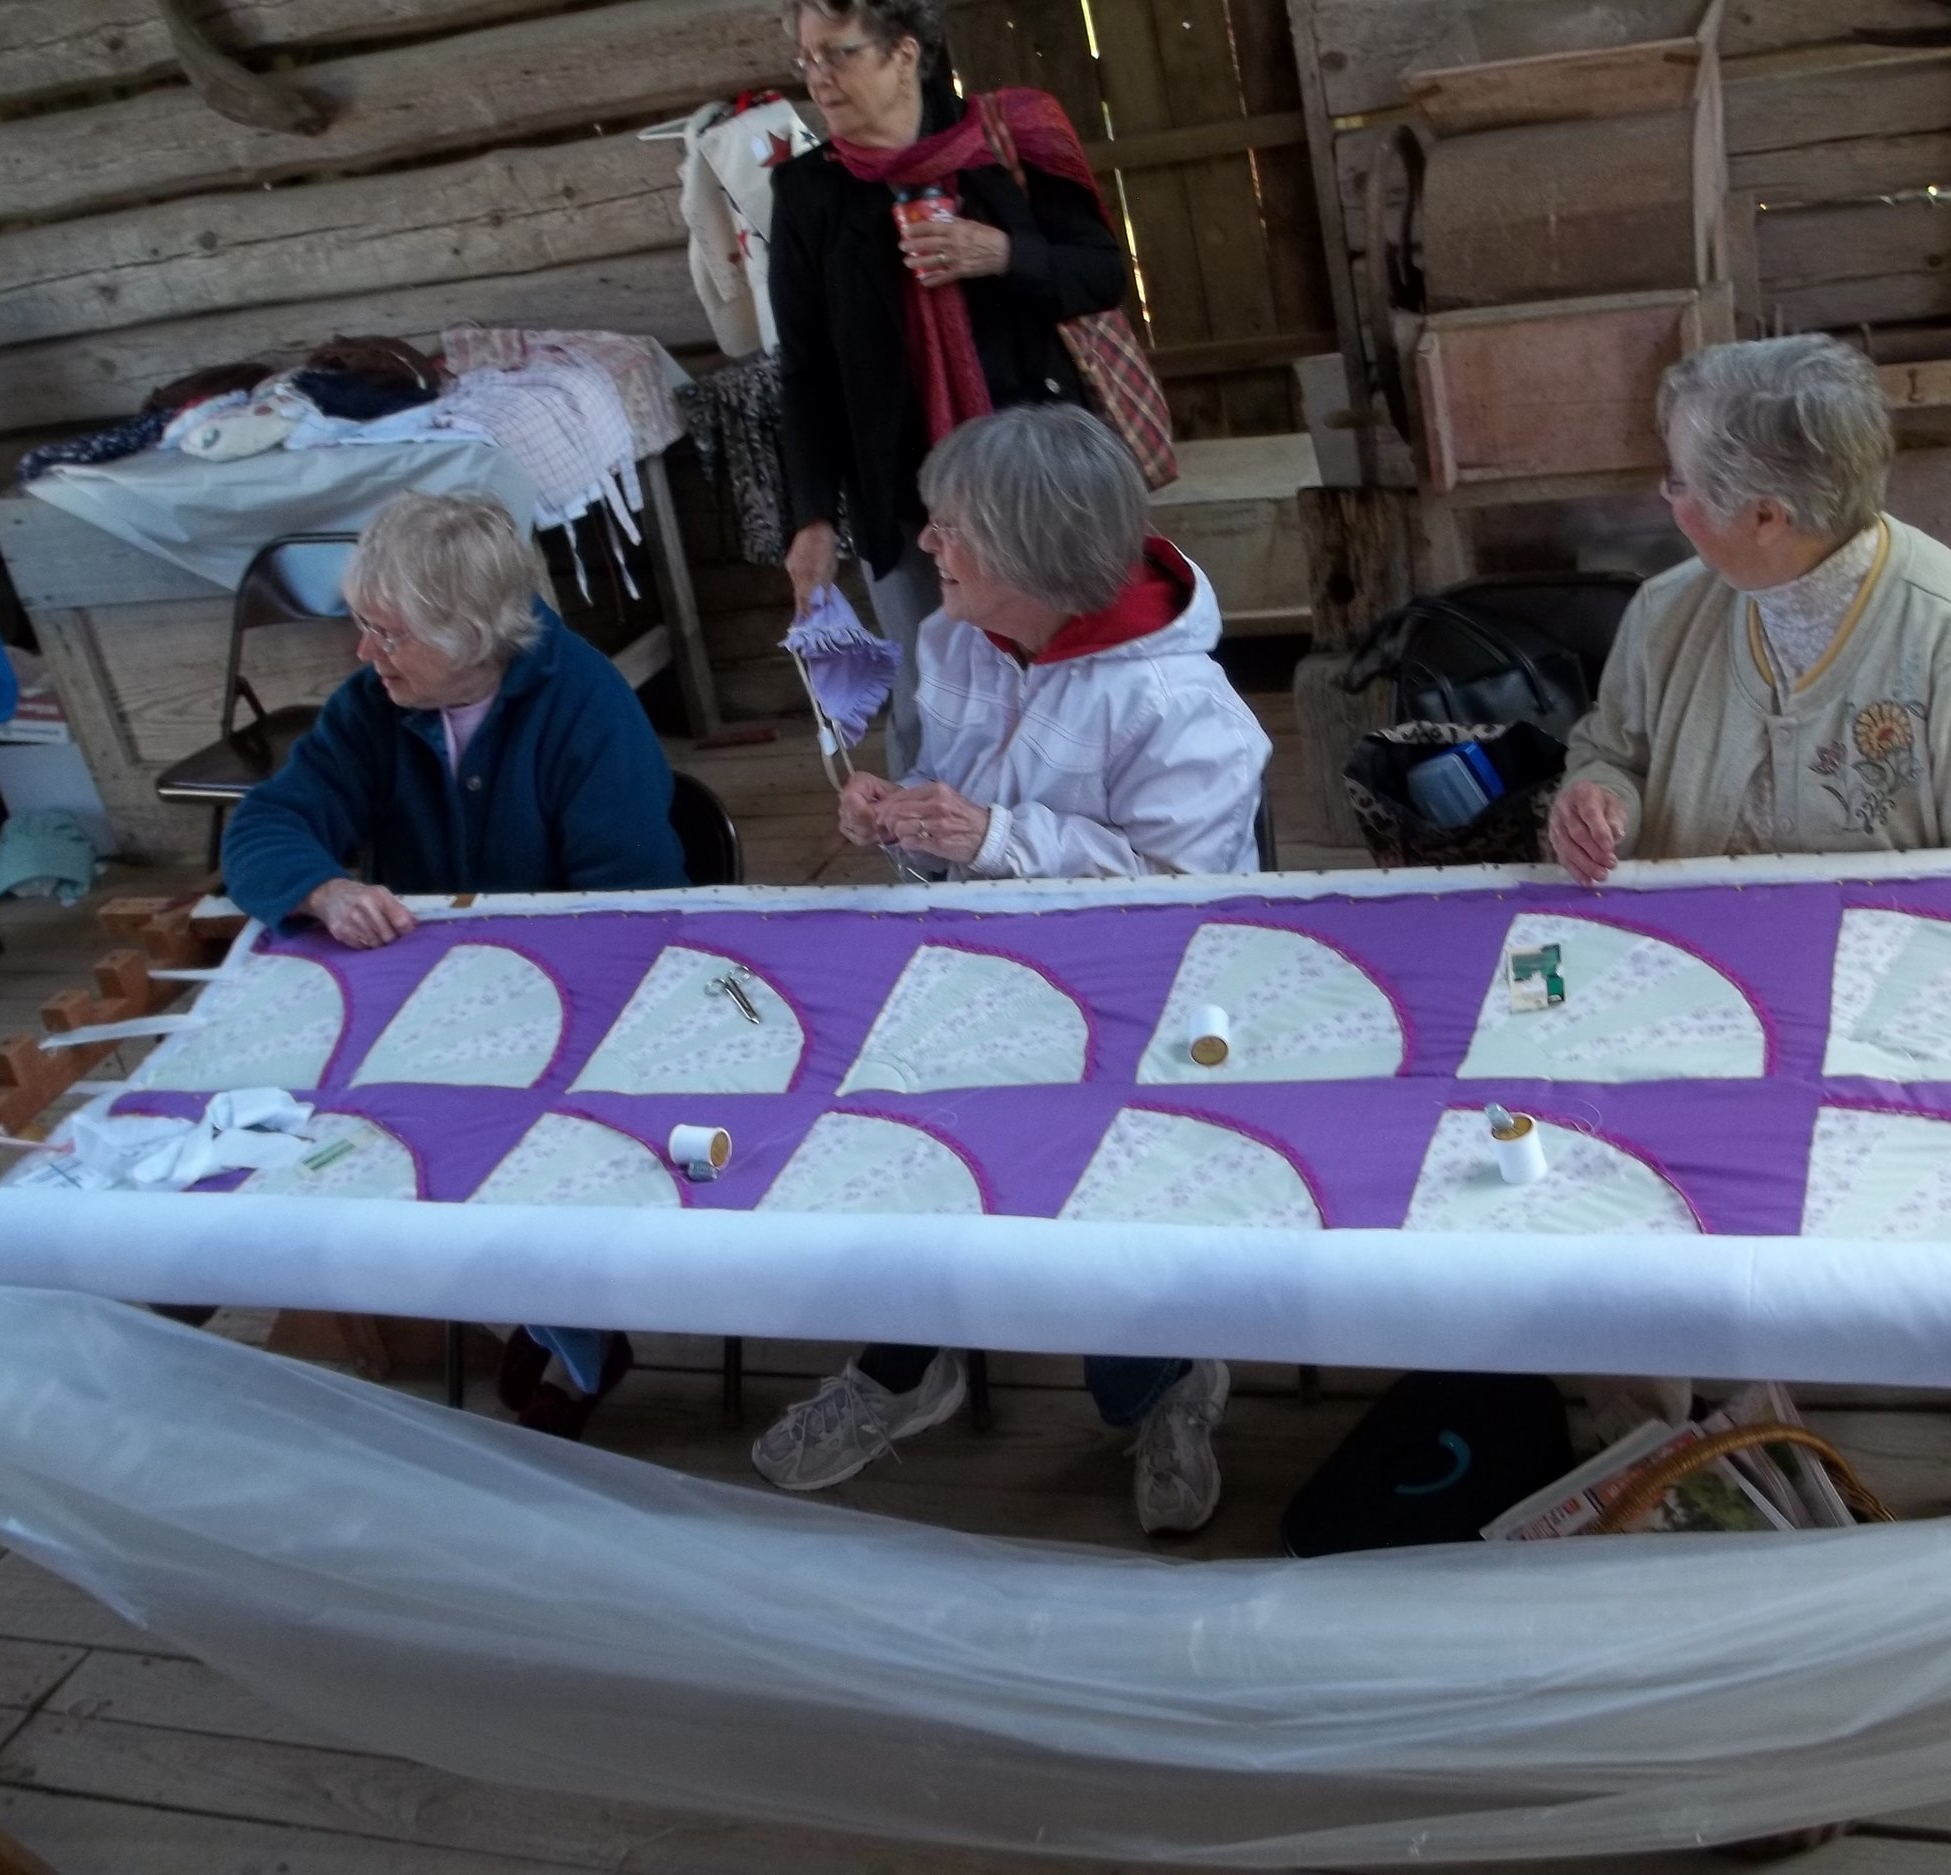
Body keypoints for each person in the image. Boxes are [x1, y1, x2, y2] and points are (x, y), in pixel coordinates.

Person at [1546, 333, 1951, 1504]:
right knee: (1593, 1148)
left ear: (1767, 517)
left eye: (1685, 481)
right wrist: (1598, 797)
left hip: (1905, 1024)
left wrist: (1886, 1015)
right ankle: (1646, 1442)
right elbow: (1612, 746)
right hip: (1693, 999)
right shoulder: (1668, 612)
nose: (1666, 497)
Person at [752, 404, 1271, 1531]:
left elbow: (1183, 896)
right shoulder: (956, 641)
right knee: (891, 1127)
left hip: (1147, 1005)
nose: (926, 545)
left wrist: (990, 838)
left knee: (1108, 1189)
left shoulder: (1184, 708)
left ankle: (1164, 1382)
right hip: (978, 971)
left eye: (952, 530)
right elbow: (954, 796)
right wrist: (899, 820)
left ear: (1034, 554)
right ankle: (904, 1366)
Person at [224, 489, 685, 1439]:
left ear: (474, 635)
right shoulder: (371, 709)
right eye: (362, 627)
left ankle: (572, 1322)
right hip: (439, 1000)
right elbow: (268, 823)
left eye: (388, 634)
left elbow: (633, 912)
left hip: (580, 1003)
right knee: (335, 1120)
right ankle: (529, 1308)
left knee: (542, 1137)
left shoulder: (584, 707)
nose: (364, 654)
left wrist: (509, 1000)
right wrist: (326, 890)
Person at [769, 0, 1131, 777]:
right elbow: (806, 371)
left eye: (838, 53)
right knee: (929, 708)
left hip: (1040, 485)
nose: (819, 79)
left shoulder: (1006, 144)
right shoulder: (809, 192)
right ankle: (933, 886)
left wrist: (1001, 253)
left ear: (905, 52)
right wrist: (810, 516)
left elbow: (1103, 273)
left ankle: (1086, 871)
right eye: (806, 60)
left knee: (1078, 685)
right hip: (902, 500)